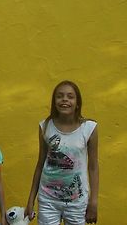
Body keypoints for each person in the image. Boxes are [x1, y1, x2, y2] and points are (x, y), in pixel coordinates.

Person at [25, 81, 99, 224]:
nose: (65, 99)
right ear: (54, 102)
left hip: (76, 201)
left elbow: (93, 167)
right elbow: (40, 164)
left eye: (70, 96)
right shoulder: (45, 126)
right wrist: (31, 200)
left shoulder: (89, 128)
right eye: (60, 96)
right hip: (48, 200)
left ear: (77, 103)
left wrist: (94, 202)